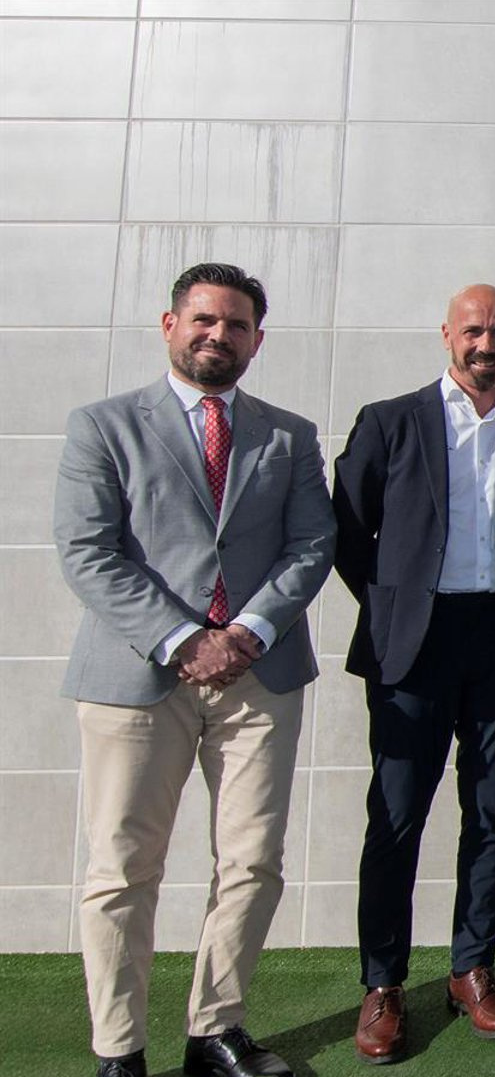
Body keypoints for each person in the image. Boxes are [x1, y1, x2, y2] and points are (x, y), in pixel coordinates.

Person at [54, 263, 335, 1077]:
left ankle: (216, 1028)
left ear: (256, 338)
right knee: (123, 867)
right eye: (205, 320)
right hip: (138, 680)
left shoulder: (289, 434)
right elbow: (86, 552)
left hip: (259, 677)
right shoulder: (102, 426)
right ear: (170, 323)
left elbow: (312, 544)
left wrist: (246, 630)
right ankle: (120, 1048)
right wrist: (184, 638)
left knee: (252, 862)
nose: (220, 335)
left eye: (237, 324)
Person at [332, 285, 495, 1064]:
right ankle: (383, 984)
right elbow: (349, 532)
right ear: (446, 335)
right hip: (413, 649)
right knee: (396, 818)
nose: (485, 343)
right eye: (473, 329)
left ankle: (472, 968)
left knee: (491, 811)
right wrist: (397, 605)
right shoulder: (389, 421)